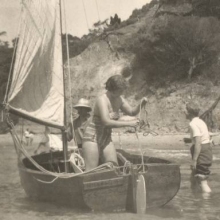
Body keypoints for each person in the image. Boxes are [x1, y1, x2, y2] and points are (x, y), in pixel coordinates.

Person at [82, 74, 148, 171]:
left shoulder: (119, 99)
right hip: (92, 136)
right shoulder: (102, 100)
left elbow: (132, 112)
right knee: (91, 171)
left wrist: (141, 104)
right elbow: (106, 122)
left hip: (106, 137)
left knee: (114, 168)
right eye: (120, 90)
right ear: (113, 89)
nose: (122, 92)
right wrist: (129, 124)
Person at [185, 100, 212, 193]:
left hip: (201, 152)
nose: (183, 112)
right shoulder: (200, 121)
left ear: (189, 113)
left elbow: (198, 142)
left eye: (185, 110)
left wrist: (194, 160)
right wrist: (189, 140)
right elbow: (204, 136)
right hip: (206, 150)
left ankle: (205, 204)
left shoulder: (192, 124)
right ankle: (196, 199)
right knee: (193, 178)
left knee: (202, 180)